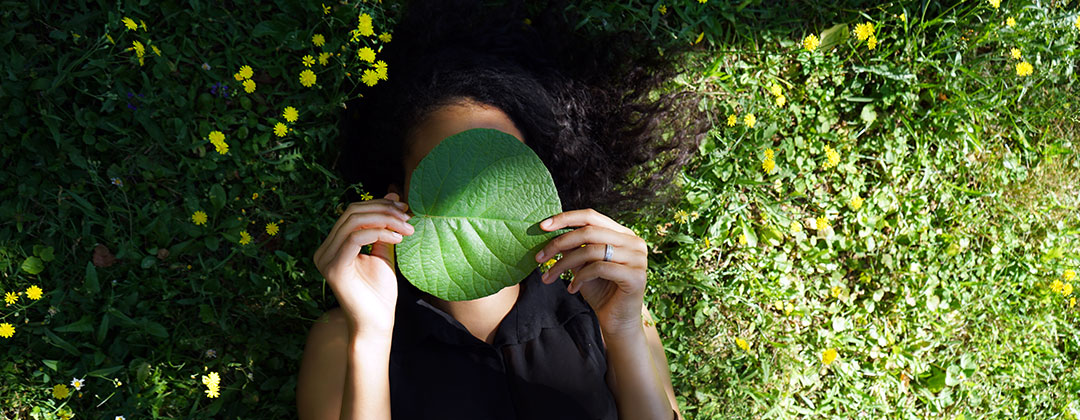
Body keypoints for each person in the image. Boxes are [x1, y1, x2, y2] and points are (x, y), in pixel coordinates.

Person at [296, 0, 709, 419]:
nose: (478, 198)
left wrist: (623, 331)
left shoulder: (607, 313)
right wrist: (370, 336)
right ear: (395, 198)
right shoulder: (348, 336)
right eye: (452, 172)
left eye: (501, 169)